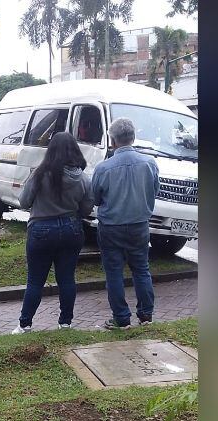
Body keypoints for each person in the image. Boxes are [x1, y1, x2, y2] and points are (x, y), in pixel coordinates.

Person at [12, 132, 93, 333]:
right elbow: (86, 209)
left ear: (51, 151)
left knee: (35, 281)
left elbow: (24, 201)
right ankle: (65, 323)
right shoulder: (83, 178)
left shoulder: (40, 174)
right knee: (66, 279)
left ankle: (25, 324)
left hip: (41, 230)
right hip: (71, 230)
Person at [91, 117, 158, 329]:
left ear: (113, 141)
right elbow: (154, 190)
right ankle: (146, 315)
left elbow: (96, 198)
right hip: (139, 224)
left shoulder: (103, 168)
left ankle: (121, 318)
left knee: (114, 272)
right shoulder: (149, 163)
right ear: (133, 137)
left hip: (111, 226)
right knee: (141, 269)